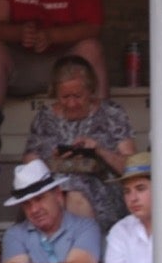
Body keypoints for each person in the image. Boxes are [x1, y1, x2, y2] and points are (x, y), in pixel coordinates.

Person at [20, 57, 133, 230]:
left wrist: (99, 151)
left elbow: (131, 167)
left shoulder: (112, 114)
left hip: (104, 195)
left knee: (75, 192)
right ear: (55, 94)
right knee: (60, 193)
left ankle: (79, 250)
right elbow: (29, 168)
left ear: (91, 90)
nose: (71, 103)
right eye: (65, 97)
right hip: (54, 194)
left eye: (78, 96)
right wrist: (52, 163)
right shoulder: (44, 119)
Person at [0, 0, 105, 106]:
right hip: (19, 66)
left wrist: (52, 36)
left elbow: (92, 26)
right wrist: (18, 33)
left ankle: (103, 123)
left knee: (91, 48)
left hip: (65, 66)